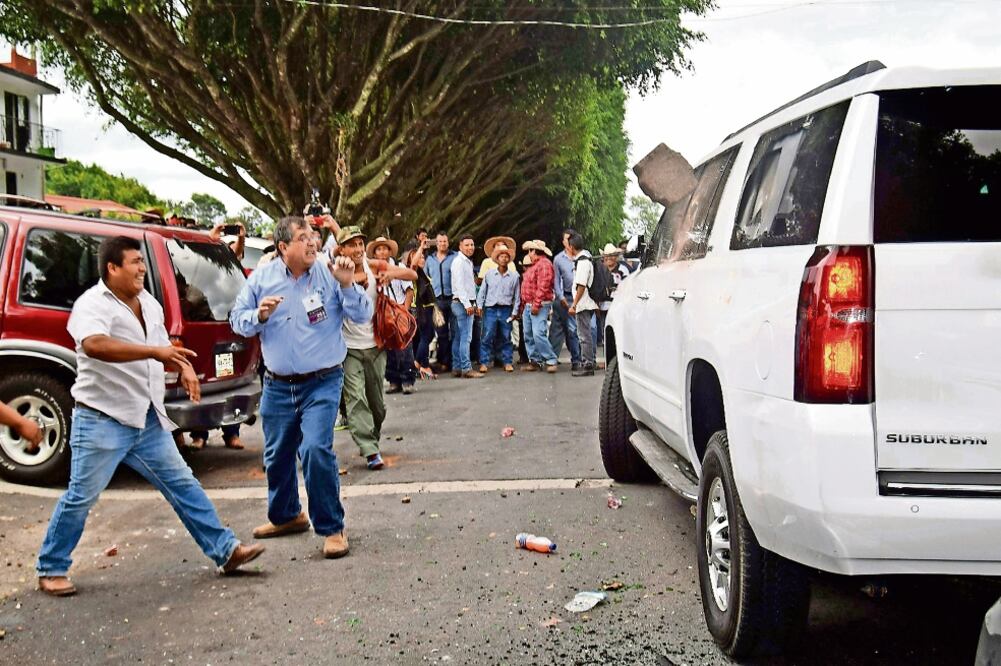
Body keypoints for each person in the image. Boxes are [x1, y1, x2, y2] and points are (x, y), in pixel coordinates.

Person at [36, 236, 264, 597]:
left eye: (142, 262)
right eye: (134, 262)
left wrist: (183, 367)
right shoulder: (91, 304)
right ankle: (51, 567)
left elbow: (164, 348)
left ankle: (226, 551)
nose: (142, 268)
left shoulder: (149, 304)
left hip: (147, 420)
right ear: (112, 268)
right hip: (102, 420)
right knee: (81, 496)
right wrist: (154, 352)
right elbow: (95, 345)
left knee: (184, 485)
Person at [230, 216, 370, 560]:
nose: (312, 242)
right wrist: (259, 316)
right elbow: (237, 320)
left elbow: (362, 315)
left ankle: (332, 527)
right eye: (303, 237)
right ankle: (287, 516)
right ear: (283, 247)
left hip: (322, 381)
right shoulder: (262, 278)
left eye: (313, 236)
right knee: (276, 455)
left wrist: (348, 285)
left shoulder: (329, 272)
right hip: (277, 385)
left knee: (315, 450)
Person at [336, 227, 418, 469]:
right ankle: (370, 450)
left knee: (377, 405)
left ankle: (372, 435)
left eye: (360, 244)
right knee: (355, 399)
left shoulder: (373, 267)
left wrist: (390, 276)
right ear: (342, 250)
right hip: (348, 349)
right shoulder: (335, 273)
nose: (358, 249)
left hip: (375, 346)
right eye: (352, 245)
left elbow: (412, 274)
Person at [368, 236, 417, 394]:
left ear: (390, 251)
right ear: (374, 253)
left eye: (385, 248)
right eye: (379, 249)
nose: (382, 252)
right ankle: (393, 380)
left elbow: (409, 290)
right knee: (388, 349)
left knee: (404, 348)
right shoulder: (371, 270)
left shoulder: (399, 267)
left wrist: (405, 311)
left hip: (399, 311)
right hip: (382, 314)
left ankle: (407, 380)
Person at [476, 242, 520, 373]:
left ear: (509, 259)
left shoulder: (514, 276)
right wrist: (479, 306)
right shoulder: (489, 274)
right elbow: (482, 291)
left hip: (506, 309)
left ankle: (507, 362)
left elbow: (517, 296)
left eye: (506, 257)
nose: (504, 259)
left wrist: (515, 311)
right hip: (490, 309)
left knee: (506, 336)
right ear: (497, 259)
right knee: (487, 335)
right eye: (501, 256)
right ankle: (484, 362)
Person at [519, 240, 558, 373]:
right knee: (529, 334)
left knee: (538, 333)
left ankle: (550, 359)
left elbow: (543, 286)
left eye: (530, 250)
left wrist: (536, 304)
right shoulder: (536, 265)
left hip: (539, 304)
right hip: (530, 304)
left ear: (534, 251)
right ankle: (535, 360)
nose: (529, 253)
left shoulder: (544, 264)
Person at [549, 229, 583, 371]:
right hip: (564, 296)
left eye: (571, 239)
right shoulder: (558, 259)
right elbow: (556, 281)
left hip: (580, 296)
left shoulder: (583, 257)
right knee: (557, 330)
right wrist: (561, 297)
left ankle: (579, 359)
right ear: (563, 242)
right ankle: (552, 359)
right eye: (566, 239)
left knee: (575, 330)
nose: (568, 242)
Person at [566, 233, 599, 377]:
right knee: (584, 334)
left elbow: (581, 285)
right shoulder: (585, 259)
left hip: (584, 303)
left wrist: (574, 304)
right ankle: (588, 362)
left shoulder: (583, 262)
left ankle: (588, 364)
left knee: (584, 335)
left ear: (572, 247)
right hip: (585, 302)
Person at [403, 243, 438, 381]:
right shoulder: (412, 272)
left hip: (426, 308)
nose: (422, 259)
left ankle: (424, 366)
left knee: (421, 338)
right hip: (420, 308)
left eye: (423, 257)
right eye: (419, 257)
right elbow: (413, 264)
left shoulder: (422, 273)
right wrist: (421, 248)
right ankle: (416, 365)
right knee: (427, 336)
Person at [449, 234, 482, 378]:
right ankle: (466, 368)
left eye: (472, 245)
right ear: (460, 246)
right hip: (462, 303)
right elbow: (459, 285)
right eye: (467, 245)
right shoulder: (459, 262)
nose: (470, 247)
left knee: (458, 337)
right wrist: (468, 304)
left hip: (462, 302)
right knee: (465, 337)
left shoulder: (467, 262)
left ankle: (457, 367)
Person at [425, 231, 457, 372]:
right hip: (437, 300)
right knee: (441, 333)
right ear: (436, 243)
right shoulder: (430, 260)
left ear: (448, 242)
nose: (443, 244)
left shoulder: (455, 257)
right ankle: (444, 362)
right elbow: (425, 278)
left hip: (453, 299)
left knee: (455, 332)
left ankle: (455, 361)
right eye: (440, 241)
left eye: (445, 241)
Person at [597, 244, 631, 347]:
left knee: (617, 331)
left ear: (616, 256)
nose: (609, 258)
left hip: (617, 305)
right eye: (607, 256)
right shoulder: (600, 269)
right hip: (603, 306)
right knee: (605, 332)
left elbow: (627, 287)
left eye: (612, 255)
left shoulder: (622, 269)